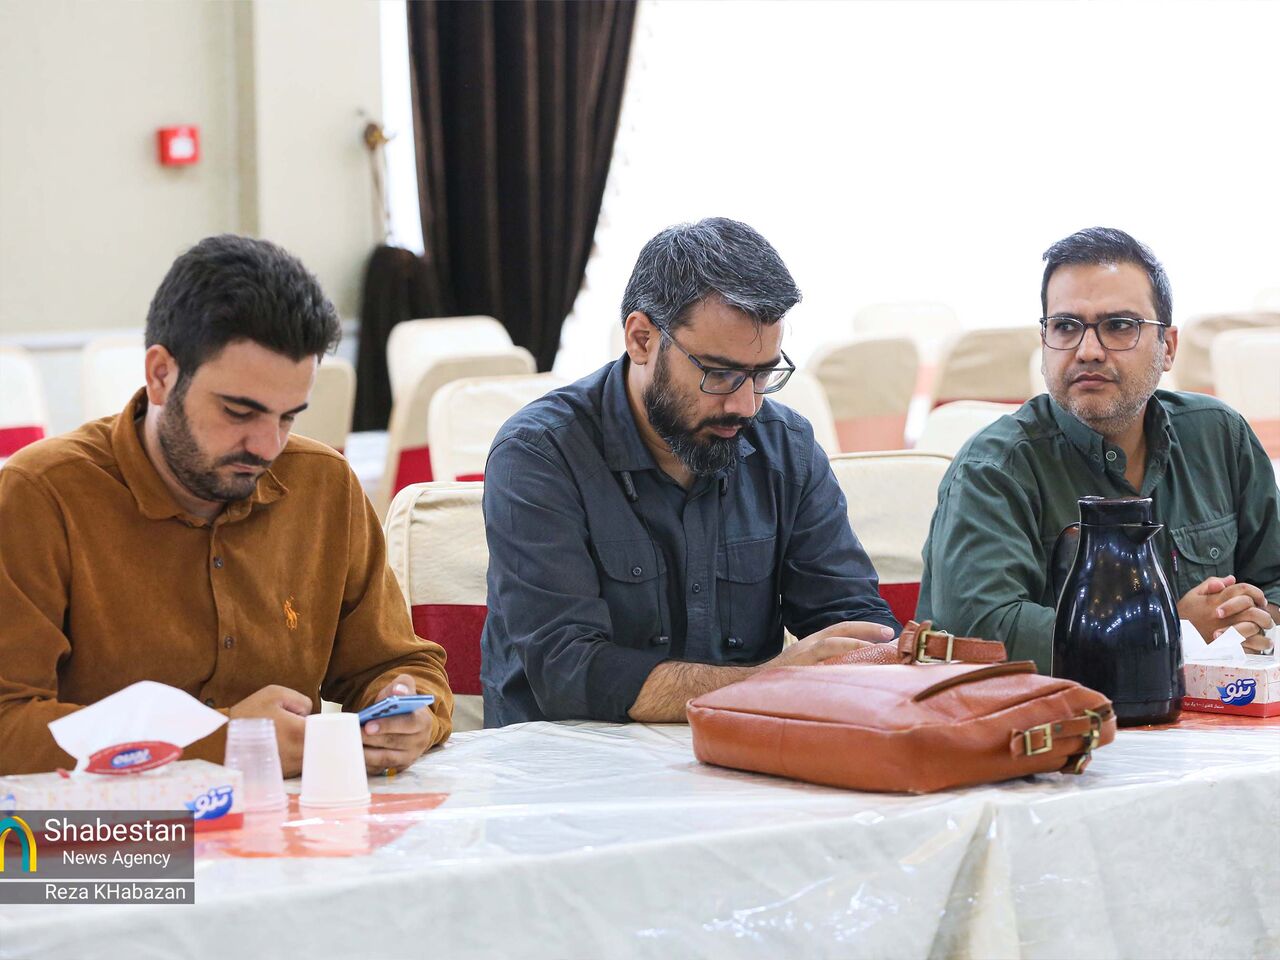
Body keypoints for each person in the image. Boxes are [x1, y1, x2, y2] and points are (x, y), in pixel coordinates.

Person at [0, 235, 453, 776]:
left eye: (288, 416)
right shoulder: (41, 495)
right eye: (239, 412)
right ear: (161, 375)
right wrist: (224, 743)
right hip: (102, 827)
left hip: (297, 824)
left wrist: (408, 709)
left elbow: (397, 663)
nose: (267, 446)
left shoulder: (323, 485)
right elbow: (7, 725)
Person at [481, 217, 899, 726]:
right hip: (566, 762)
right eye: (719, 373)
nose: (746, 405)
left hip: (741, 755)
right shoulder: (539, 454)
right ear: (641, 339)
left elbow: (852, 620)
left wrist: (870, 656)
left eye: (762, 374)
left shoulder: (785, 447)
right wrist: (767, 682)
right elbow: (569, 673)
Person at [918, 227, 1280, 670]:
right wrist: (1169, 631)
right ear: (1045, 342)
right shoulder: (994, 468)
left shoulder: (1218, 434)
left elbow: (1274, 579)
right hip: (1053, 712)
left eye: (1119, 326)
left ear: (1168, 347)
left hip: (1224, 707)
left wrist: (1245, 620)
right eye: (1066, 327)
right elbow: (984, 632)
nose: (1088, 350)